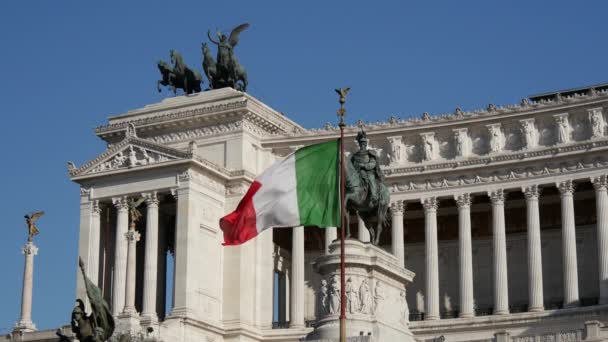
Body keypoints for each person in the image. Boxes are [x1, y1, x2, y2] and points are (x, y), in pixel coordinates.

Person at [351, 130, 383, 203]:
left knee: (371, 179)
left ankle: (374, 196)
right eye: (361, 144)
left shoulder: (370, 153)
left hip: (368, 172)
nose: (362, 146)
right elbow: (351, 165)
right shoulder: (355, 155)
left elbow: (372, 163)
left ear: (366, 145)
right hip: (357, 173)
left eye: (364, 144)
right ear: (359, 145)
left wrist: (364, 165)